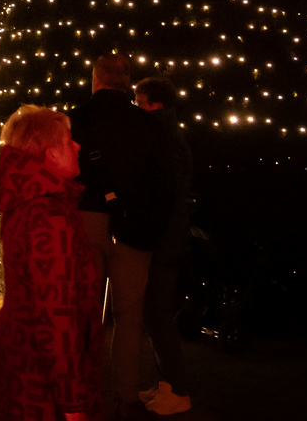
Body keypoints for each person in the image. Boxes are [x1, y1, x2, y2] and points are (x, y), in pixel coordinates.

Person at [69, 53, 172, 416]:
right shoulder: (148, 125)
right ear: (127, 81)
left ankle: (82, 389)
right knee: (129, 316)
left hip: (85, 221)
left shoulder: (75, 119)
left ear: (95, 79)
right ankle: (125, 394)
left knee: (86, 311)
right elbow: (163, 181)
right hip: (134, 225)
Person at [0, 104, 103, 421]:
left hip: (23, 366)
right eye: (69, 140)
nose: (78, 146)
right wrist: (73, 404)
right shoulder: (49, 217)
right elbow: (58, 318)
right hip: (43, 385)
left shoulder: (29, 201)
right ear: (51, 154)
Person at [135, 76, 194, 416]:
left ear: (154, 105)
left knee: (157, 313)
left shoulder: (165, 140)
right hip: (166, 237)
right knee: (154, 314)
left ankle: (176, 389)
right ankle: (166, 385)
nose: (136, 109)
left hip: (164, 241)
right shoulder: (168, 137)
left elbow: (166, 197)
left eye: (140, 102)